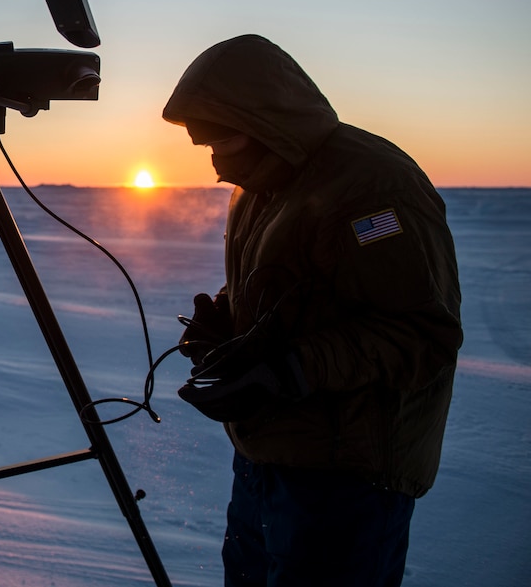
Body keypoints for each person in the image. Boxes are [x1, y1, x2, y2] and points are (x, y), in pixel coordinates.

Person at [162, 34, 462, 587]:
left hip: (345, 481)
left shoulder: (373, 188)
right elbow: (293, 284)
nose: (215, 166)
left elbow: (423, 334)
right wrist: (227, 322)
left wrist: (291, 371)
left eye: (221, 143)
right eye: (201, 144)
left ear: (265, 124)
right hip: (264, 458)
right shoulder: (263, 182)